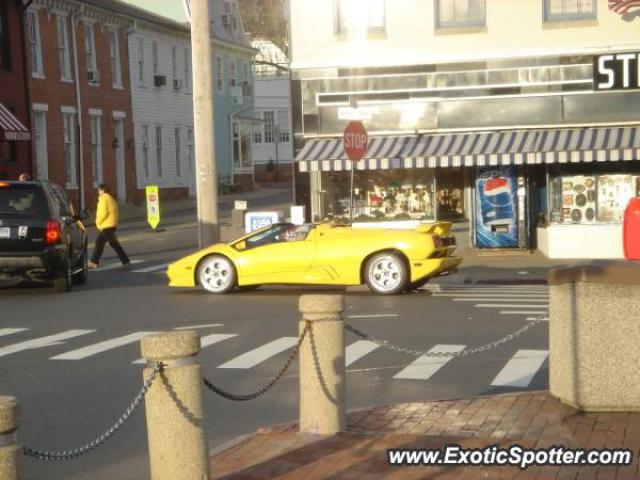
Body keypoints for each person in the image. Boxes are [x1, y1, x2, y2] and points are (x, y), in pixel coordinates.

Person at [88, 184, 130, 270]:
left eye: (99, 190)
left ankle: (126, 261)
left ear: (103, 190)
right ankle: (94, 262)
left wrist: (97, 221)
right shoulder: (111, 198)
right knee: (100, 243)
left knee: (114, 244)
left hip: (106, 225)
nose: (98, 192)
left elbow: (103, 212)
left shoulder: (103, 199)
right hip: (111, 224)